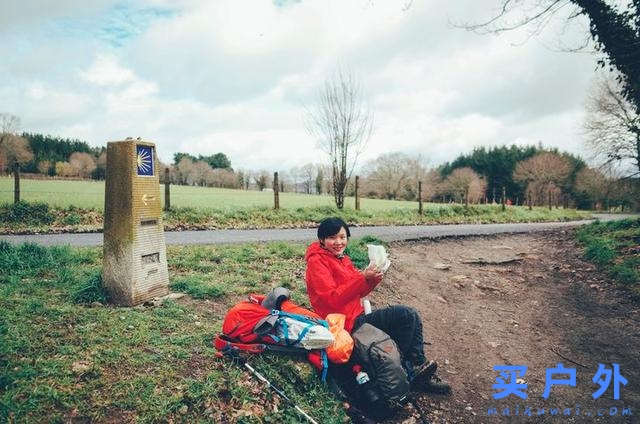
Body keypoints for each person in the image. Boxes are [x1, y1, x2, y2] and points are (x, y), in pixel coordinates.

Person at [304, 217, 451, 395]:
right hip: (344, 325)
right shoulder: (317, 262)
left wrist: (373, 278)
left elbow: (359, 292)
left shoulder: (342, 259)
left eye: (342, 237)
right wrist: (362, 277)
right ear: (322, 239)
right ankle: (409, 370)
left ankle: (413, 369)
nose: (338, 242)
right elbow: (331, 299)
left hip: (356, 315)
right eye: (332, 238)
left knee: (408, 319)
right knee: (406, 315)